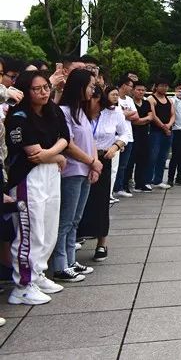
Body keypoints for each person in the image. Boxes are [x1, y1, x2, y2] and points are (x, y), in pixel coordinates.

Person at [4, 71, 69, 305]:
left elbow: (65, 138)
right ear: (25, 90)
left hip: (50, 173)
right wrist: (57, 156)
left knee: (49, 226)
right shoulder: (18, 116)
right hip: (27, 178)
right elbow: (32, 153)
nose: (43, 92)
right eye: (37, 88)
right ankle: (22, 285)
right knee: (30, 231)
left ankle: (38, 273)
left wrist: (53, 155)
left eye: (45, 87)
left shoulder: (53, 111)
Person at [55, 68, 100, 283]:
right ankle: (60, 265)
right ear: (79, 86)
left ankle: (71, 261)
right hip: (71, 172)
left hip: (84, 171)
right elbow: (69, 146)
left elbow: (89, 140)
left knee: (75, 220)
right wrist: (92, 161)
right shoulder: (63, 111)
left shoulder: (81, 111)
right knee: (65, 220)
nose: (93, 90)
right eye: (90, 86)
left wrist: (93, 164)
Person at [78, 85, 127, 263]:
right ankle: (77, 236)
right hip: (81, 160)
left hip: (103, 158)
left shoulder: (113, 112)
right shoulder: (79, 113)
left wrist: (115, 147)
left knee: (101, 201)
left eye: (97, 99)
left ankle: (101, 242)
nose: (94, 103)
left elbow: (125, 133)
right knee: (79, 202)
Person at [112, 75, 138, 198]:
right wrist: (124, 114)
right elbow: (114, 113)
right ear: (123, 85)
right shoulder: (115, 97)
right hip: (116, 137)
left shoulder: (129, 100)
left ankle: (120, 187)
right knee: (115, 165)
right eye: (130, 86)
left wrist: (123, 114)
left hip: (128, 135)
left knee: (124, 164)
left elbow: (135, 115)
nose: (132, 89)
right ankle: (113, 188)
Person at [148, 78, 175, 190]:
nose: (164, 88)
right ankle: (148, 180)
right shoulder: (151, 99)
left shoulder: (169, 100)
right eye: (162, 86)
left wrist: (168, 125)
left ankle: (158, 180)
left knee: (163, 156)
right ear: (156, 86)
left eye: (166, 86)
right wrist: (164, 127)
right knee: (152, 156)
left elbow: (173, 115)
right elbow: (153, 116)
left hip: (168, 131)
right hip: (155, 131)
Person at [129, 82, 153, 192]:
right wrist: (145, 120)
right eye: (138, 90)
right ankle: (126, 184)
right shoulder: (129, 103)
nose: (141, 92)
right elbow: (133, 121)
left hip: (144, 134)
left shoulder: (146, 103)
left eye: (143, 90)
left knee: (143, 159)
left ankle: (141, 183)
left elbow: (151, 116)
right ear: (133, 90)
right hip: (132, 134)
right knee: (130, 160)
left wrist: (141, 120)